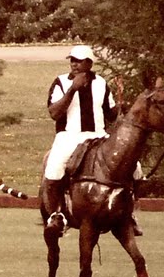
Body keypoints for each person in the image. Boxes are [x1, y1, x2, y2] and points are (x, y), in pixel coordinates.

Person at [42, 45, 116, 235]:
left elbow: (111, 114)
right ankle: (55, 216)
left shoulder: (101, 83)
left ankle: (128, 214)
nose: (73, 64)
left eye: (78, 61)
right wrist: (72, 90)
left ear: (89, 64)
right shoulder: (60, 82)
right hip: (69, 136)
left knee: (135, 168)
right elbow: (54, 113)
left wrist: (121, 102)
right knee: (53, 170)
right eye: (72, 60)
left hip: (98, 136)